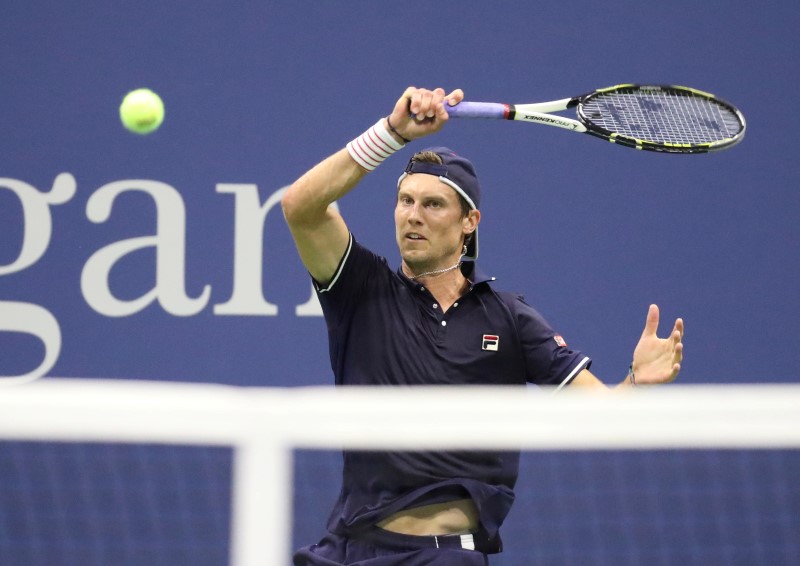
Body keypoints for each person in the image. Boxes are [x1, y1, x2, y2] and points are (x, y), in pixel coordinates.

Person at [282, 86, 684, 565]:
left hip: (442, 557)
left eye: (432, 205)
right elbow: (300, 206)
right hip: (347, 549)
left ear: (469, 221)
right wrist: (392, 134)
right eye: (405, 201)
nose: (413, 216)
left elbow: (607, 417)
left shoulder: (509, 318)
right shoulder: (362, 290)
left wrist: (638, 383)